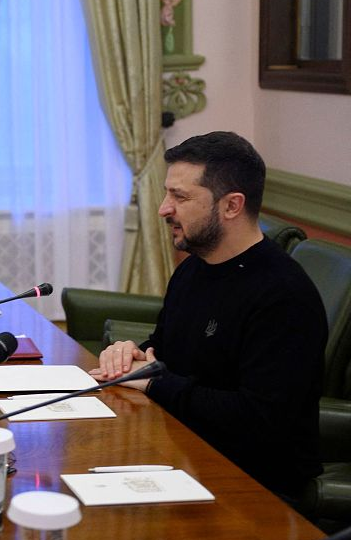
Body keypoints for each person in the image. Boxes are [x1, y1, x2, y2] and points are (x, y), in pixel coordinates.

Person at [89, 131, 327, 501]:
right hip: (183, 451)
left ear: (232, 205)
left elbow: (259, 419)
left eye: (180, 197)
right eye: (168, 193)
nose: (163, 208)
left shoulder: (283, 295)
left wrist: (154, 383)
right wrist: (133, 353)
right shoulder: (194, 269)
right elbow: (169, 350)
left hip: (252, 488)